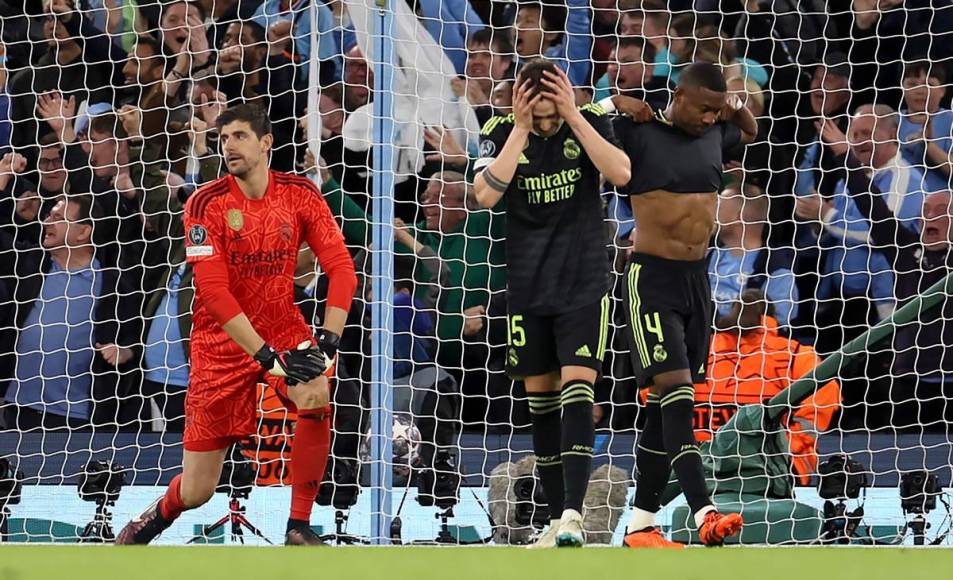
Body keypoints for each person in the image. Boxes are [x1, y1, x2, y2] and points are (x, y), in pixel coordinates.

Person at [115, 104, 358, 546]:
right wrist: (266, 357)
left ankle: (298, 526)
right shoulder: (205, 203)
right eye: (224, 138)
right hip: (221, 342)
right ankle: (149, 521)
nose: (229, 145)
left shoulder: (301, 194)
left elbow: (341, 268)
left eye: (240, 136)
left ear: (266, 143)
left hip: (283, 324)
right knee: (198, 489)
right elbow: (212, 291)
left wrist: (329, 338)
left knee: (317, 390)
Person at [473, 58, 631, 547]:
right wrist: (520, 130)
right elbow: (483, 194)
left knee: (578, 389)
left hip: (583, 280)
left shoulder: (589, 124)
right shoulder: (500, 130)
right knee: (540, 400)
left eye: (551, 97)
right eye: (534, 98)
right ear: (518, 97)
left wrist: (576, 114)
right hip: (527, 286)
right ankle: (555, 518)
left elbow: (621, 173)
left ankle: (573, 515)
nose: (544, 109)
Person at [613, 62, 757, 548]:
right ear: (678, 95)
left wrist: (735, 107)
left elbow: (750, 128)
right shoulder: (639, 132)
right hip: (651, 279)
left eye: (716, 111)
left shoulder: (716, 133)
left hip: (698, 282)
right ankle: (704, 511)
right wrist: (615, 103)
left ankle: (641, 525)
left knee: (663, 407)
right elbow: (584, 121)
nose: (710, 119)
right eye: (703, 109)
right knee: (677, 394)